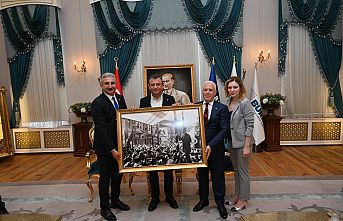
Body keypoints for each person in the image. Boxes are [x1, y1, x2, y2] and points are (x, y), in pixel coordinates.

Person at [91, 72, 130, 221]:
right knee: (105, 178)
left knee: (117, 175)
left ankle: (115, 200)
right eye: (107, 83)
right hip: (106, 148)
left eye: (112, 83)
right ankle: (104, 208)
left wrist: (131, 113)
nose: (110, 86)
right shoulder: (97, 103)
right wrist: (112, 149)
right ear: (101, 85)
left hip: (120, 145)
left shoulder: (119, 98)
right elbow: (101, 130)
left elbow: (124, 119)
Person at [139, 74, 179, 211]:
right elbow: (141, 121)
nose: (155, 87)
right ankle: (155, 197)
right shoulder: (143, 101)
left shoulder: (170, 99)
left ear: (162, 86)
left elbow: (175, 120)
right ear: (149, 86)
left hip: (167, 140)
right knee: (153, 171)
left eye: (158, 84)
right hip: (150, 142)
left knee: (168, 170)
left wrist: (177, 110)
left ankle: (169, 196)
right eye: (153, 85)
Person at [193, 81, 229, 219]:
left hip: (216, 149)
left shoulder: (222, 108)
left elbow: (224, 129)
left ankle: (220, 203)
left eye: (210, 90)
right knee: (202, 176)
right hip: (199, 149)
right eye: (205, 90)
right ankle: (203, 200)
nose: (207, 92)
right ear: (202, 91)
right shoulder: (195, 106)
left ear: (215, 93)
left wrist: (211, 145)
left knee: (218, 176)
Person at [224, 76, 254, 212]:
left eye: (235, 87)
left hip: (243, 143)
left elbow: (250, 125)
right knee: (236, 171)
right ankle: (237, 195)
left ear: (240, 88)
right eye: (230, 87)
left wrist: (247, 146)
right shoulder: (227, 102)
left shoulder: (245, 103)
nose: (232, 90)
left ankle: (243, 199)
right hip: (231, 142)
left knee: (243, 172)